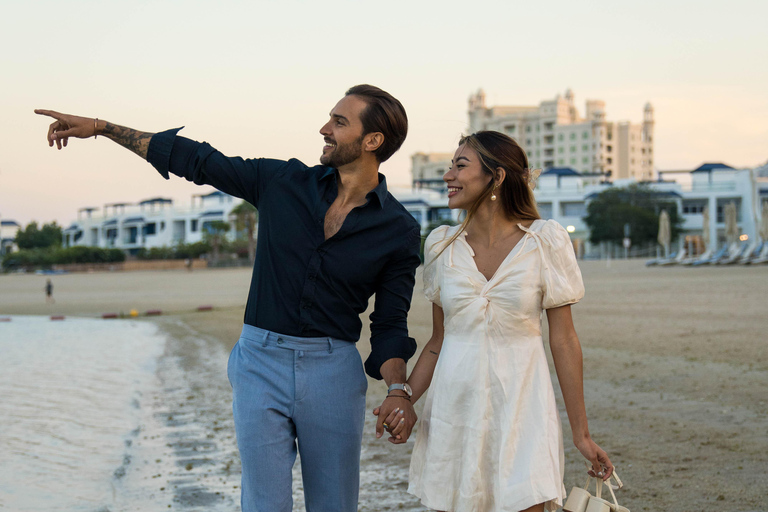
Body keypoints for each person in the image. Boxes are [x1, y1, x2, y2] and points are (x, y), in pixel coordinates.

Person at [35, 84, 421, 512]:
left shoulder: (398, 230)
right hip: (260, 363)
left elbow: (389, 324)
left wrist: (397, 389)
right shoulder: (282, 182)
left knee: (334, 504)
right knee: (264, 505)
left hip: (332, 372)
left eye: (339, 121)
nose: (324, 128)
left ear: (372, 141)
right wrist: (104, 128)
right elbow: (198, 160)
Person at [377, 131, 613, 512]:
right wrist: (402, 396)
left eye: (460, 165)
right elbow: (439, 341)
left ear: (497, 177)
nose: (448, 176)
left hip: (523, 409)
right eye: (449, 166)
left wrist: (581, 435)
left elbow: (564, 340)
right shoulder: (440, 245)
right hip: (455, 410)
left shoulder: (544, 241)